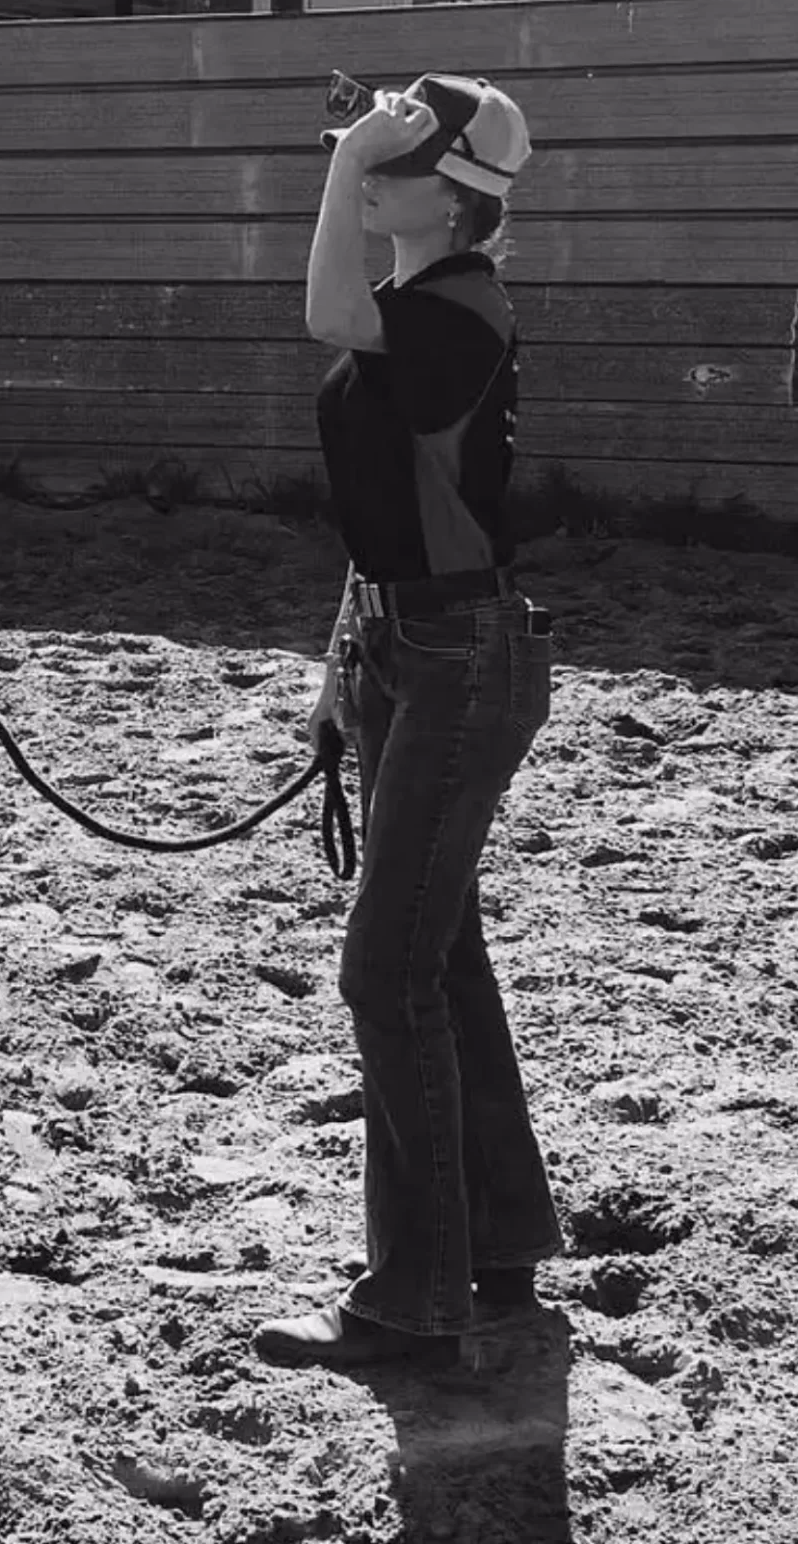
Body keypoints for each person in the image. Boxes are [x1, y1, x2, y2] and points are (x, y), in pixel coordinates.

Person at [254, 71, 564, 1372]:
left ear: (448, 194)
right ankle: (495, 1243)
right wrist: (341, 666)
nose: (361, 171)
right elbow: (388, 508)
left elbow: (323, 302)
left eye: (383, 162)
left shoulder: (459, 311)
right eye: (356, 161)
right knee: (437, 960)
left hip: (460, 658)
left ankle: (418, 1304)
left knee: (386, 973)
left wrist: (334, 179)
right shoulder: (417, 313)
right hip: (411, 645)